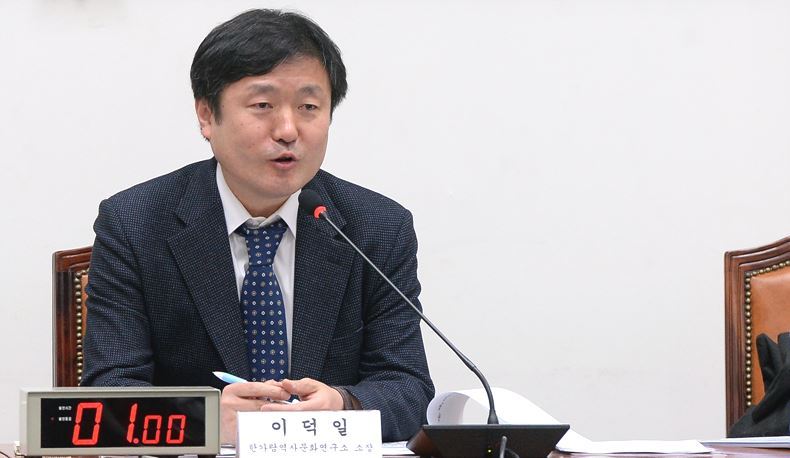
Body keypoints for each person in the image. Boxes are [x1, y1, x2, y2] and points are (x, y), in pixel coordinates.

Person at [82, 9, 434, 443]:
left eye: (309, 107)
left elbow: (407, 387)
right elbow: (108, 391)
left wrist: (343, 404)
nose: (287, 130)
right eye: (263, 105)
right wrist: (205, 418)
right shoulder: (135, 223)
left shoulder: (377, 228)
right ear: (207, 115)